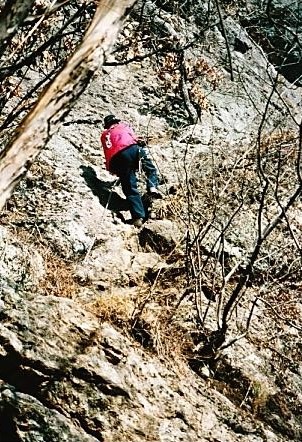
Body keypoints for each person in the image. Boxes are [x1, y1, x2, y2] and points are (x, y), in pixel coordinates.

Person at [100, 115, 161, 227]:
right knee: (150, 169)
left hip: (118, 158)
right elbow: (135, 139)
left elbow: (107, 153)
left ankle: (138, 217)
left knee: (129, 186)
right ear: (116, 121)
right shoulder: (123, 126)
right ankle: (152, 187)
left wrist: (112, 169)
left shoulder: (104, 135)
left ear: (107, 125)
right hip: (133, 149)